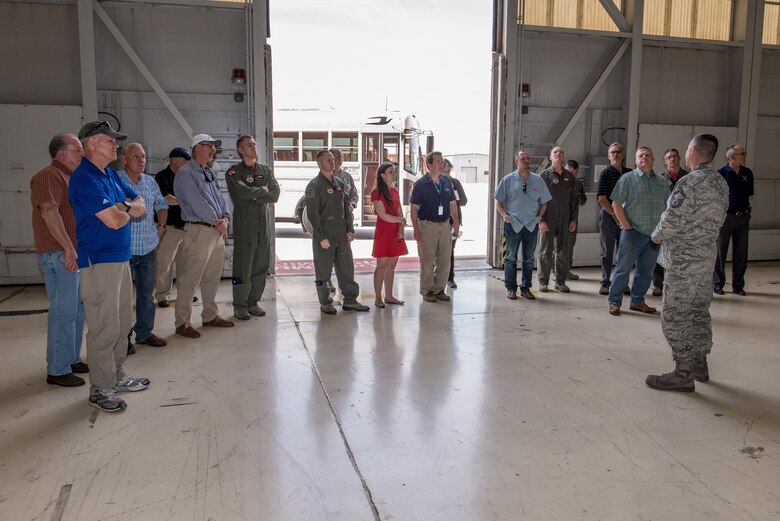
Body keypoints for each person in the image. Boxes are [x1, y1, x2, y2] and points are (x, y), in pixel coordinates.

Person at [69, 121, 150, 412]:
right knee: (104, 327)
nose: (115, 146)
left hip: (119, 258)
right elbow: (115, 219)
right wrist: (126, 208)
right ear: (91, 143)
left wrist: (124, 207)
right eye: (109, 141)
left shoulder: (109, 176)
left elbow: (140, 203)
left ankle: (115, 376)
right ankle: (100, 389)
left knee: (121, 325)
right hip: (99, 261)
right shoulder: (84, 179)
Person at [646, 134, 729, 392]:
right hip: (706, 259)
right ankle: (699, 364)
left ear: (692, 150)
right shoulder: (720, 182)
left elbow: (672, 219)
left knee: (675, 313)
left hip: (684, 261)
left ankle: (683, 373)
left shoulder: (689, 182)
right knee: (698, 311)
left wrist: (655, 237)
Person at [30, 133, 88, 387]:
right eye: (77, 149)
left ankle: (71, 358)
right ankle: (57, 369)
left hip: (69, 252)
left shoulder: (70, 177)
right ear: (61, 153)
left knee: (77, 310)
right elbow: (49, 212)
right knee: (64, 312)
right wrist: (68, 247)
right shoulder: (48, 176)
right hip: (58, 253)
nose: (82, 154)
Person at [173, 134, 235, 338]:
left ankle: (209, 315)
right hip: (200, 229)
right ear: (198, 147)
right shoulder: (186, 173)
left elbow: (219, 198)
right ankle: (182, 323)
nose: (213, 150)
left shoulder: (208, 172)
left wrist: (225, 218)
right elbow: (196, 202)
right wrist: (218, 222)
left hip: (215, 230)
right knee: (190, 279)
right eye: (210, 146)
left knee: (211, 277)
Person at [606, 146, 670, 316]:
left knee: (645, 272)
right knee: (623, 269)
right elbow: (616, 204)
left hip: (654, 235)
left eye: (647, 155)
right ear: (635, 161)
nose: (644, 158)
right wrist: (626, 226)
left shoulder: (662, 181)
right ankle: (614, 302)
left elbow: (668, 207)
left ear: (653, 159)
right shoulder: (627, 179)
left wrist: (662, 231)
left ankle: (637, 301)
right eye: (640, 156)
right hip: (632, 233)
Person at [305, 150, 370, 314]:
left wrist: (350, 229)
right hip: (325, 235)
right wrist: (320, 237)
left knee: (346, 268)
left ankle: (350, 300)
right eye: (328, 160)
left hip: (341, 234)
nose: (332, 162)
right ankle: (326, 303)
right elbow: (313, 215)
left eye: (333, 160)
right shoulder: (314, 186)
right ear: (319, 164)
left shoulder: (340, 183)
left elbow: (346, 209)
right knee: (323, 270)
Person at [118, 143, 169, 349]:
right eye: (135, 156)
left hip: (147, 246)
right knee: (121, 298)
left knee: (146, 294)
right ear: (124, 159)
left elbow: (162, 205)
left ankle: (144, 333)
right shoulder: (116, 181)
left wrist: (161, 227)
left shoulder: (150, 182)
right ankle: (123, 338)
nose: (141, 161)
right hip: (123, 248)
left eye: (143, 157)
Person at [226, 135, 280, 320]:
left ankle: (253, 302)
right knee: (243, 266)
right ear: (241, 150)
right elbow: (240, 192)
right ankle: (240, 305)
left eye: (255, 144)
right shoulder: (234, 172)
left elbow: (275, 195)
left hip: (263, 225)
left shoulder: (265, 170)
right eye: (249, 145)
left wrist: (254, 194)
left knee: (260, 265)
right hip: (245, 224)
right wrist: (262, 190)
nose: (254, 147)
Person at [494, 150, 551, 300]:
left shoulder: (538, 180)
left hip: (531, 225)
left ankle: (526, 288)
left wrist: (539, 217)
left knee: (529, 258)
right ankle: (511, 288)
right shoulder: (507, 180)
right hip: (513, 224)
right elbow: (498, 201)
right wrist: (504, 215)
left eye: (528, 158)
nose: (526, 161)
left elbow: (544, 202)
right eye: (522, 158)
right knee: (511, 258)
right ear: (516, 162)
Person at [410, 151, 459, 302]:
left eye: (442, 161)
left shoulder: (446, 182)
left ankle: (439, 289)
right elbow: (413, 208)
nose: (442, 164)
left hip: (444, 226)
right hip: (426, 226)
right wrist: (416, 230)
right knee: (427, 260)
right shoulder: (420, 184)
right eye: (438, 161)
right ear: (429, 165)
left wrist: (455, 222)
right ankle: (427, 290)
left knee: (444, 259)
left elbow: (452, 203)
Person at [712, 143, 754, 296]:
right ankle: (717, 284)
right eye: (742, 153)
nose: (745, 156)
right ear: (732, 157)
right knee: (720, 252)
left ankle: (738, 285)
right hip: (725, 218)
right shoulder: (720, 174)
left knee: (741, 253)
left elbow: (749, 194)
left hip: (743, 218)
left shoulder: (747, 173)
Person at [537, 146, 579, 293]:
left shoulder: (570, 177)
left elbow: (574, 200)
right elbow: (537, 199)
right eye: (555, 152)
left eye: (561, 152)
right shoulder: (544, 176)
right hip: (548, 216)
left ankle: (560, 282)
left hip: (565, 217)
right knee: (545, 250)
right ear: (550, 157)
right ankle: (543, 281)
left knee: (563, 250)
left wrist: (573, 219)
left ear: (564, 156)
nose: (558, 154)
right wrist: (540, 219)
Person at [154, 147, 191, 308]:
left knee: (185, 265)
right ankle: (162, 295)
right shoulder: (162, 177)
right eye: (185, 161)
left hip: (187, 227)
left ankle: (185, 295)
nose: (187, 164)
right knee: (164, 264)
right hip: (169, 227)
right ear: (174, 160)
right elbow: (166, 199)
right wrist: (187, 201)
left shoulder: (186, 178)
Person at [596, 142, 633, 295]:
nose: (616, 154)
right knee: (607, 251)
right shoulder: (605, 173)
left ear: (623, 155)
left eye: (618, 152)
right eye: (613, 152)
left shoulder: (630, 173)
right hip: (608, 215)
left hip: (627, 215)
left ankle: (622, 283)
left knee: (624, 252)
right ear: (609, 156)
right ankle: (605, 282)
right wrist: (615, 215)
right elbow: (602, 199)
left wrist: (624, 217)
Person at [651, 148, 688, 296]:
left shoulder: (688, 177)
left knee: (682, 254)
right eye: (669, 157)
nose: (672, 159)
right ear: (665, 161)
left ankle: (679, 285)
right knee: (660, 253)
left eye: (674, 156)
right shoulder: (659, 178)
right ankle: (658, 284)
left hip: (683, 221)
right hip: (665, 220)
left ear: (679, 158)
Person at [371, 162, 408, 307]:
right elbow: (383, 215)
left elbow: (399, 210)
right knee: (382, 266)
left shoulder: (395, 190)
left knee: (392, 265)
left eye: (394, 171)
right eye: (390, 172)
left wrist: (401, 229)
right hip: (384, 232)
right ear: (382, 175)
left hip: (395, 231)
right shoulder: (377, 192)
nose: (393, 174)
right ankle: (378, 297)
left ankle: (389, 295)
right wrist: (400, 220)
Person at [443, 158, 468, 288]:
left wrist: (453, 201)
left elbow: (464, 200)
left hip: (453, 221)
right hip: (439, 221)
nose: (446, 174)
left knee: (450, 251)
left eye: (448, 171)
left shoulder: (455, 183)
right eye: (444, 171)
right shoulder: (435, 183)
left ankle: (450, 278)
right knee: (438, 251)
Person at [563, 159, 587, 281]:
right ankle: (555, 271)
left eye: (573, 173)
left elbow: (583, 200)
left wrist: (577, 198)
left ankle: (566, 271)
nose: (570, 175)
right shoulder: (559, 182)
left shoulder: (578, 184)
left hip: (572, 220)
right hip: (559, 219)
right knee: (557, 247)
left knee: (569, 247)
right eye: (568, 172)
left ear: (576, 173)